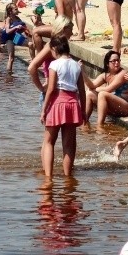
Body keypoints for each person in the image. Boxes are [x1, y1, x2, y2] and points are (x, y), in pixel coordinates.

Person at [40, 36, 86, 177]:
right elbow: (82, 91)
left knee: (49, 141)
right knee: (69, 145)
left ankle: (48, 177)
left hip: (57, 102)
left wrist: (43, 110)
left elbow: (51, 89)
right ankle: (67, 177)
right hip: (73, 104)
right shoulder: (76, 66)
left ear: (54, 49)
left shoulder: (54, 64)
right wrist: (83, 111)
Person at [83, 50, 128, 127]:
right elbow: (91, 85)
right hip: (115, 107)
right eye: (113, 61)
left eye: (118, 60)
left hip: (127, 107)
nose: (117, 63)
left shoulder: (123, 73)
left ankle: (99, 125)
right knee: (89, 94)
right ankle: (84, 122)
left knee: (103, 94)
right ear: (108, 63)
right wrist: (82, 72)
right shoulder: (105, 75)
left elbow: (109, 89)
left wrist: (96, 89)